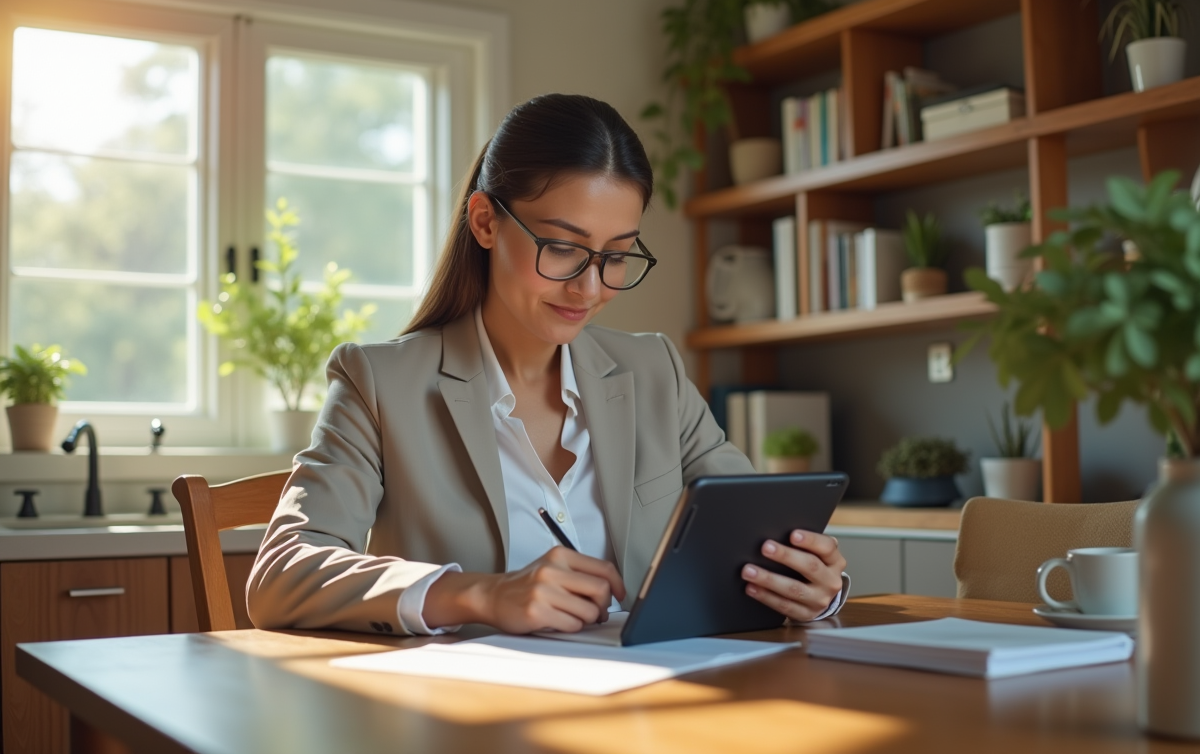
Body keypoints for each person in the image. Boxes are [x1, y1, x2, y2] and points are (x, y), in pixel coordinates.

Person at [247, 93, 848, 636]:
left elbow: (758, 533)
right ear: (485, 222)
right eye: (562, 247)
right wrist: (481, 594)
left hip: (654, 701)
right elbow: (281, 574)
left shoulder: (653, 370)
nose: (590, 287)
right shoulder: (378, 383)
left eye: (616, 256)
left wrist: (814, 588)